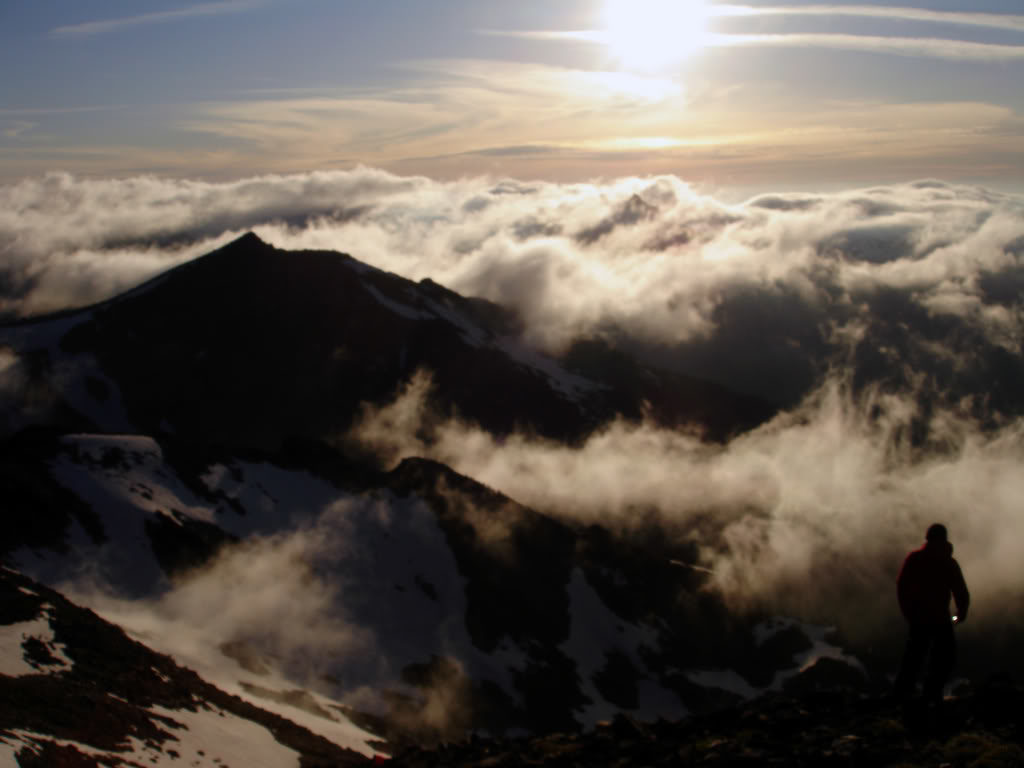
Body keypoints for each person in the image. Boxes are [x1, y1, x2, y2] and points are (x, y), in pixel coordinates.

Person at [893, 523, 970, 703]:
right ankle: (931, 693)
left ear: (927, 538)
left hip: (919, 619)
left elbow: (902, 587)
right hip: (940, 619)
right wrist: (961, 612)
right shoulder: (948, 562)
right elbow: (961, 591)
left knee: (914, 658)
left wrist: (908, 612)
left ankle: (902, 696)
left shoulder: (915, 559)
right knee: (943, 658)